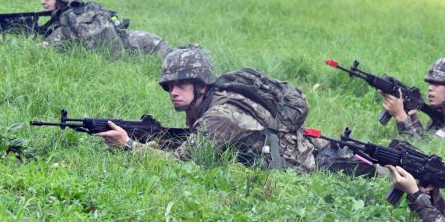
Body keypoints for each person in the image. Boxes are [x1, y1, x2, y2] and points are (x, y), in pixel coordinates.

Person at [96, 46, 317, 171]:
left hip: (295, 167)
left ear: (201, 85)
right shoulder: (209, 100)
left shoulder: (220, 116)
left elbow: (181, 165)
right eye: (170, 86)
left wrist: (128, 145)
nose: (173, 92)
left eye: (181, 85)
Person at [37, 0, 171, 57]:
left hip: (148, 45)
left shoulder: (78, 19)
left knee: (181, 57)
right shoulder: (70, 17)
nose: (43, 1)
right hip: (141, 42)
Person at [382, 57, 445, 140]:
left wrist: (401, 117)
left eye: (437, 84)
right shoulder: (444, 111)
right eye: (430, 83)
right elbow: (427, 141)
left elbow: (430, 154)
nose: (430, 88)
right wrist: (413, 122)